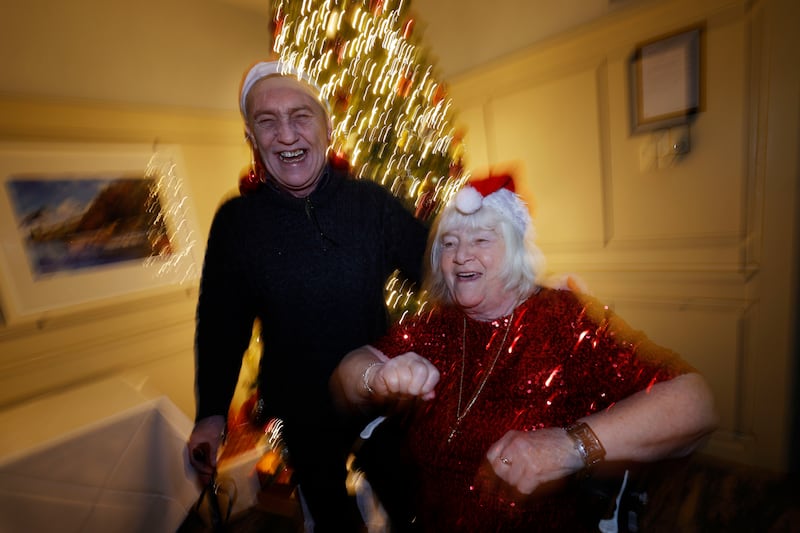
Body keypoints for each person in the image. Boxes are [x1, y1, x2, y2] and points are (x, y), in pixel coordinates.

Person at [330, 173, 719, 532]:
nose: (461, 255)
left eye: (481, 240)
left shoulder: (564, 319)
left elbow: (696, 403)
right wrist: (376, 376)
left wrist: (572, 445)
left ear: (516, 248)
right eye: (449, 243)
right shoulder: (438, 326)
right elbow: (344, 379)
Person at [186, 59, 429, 532]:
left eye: (301, 116)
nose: (287, 134)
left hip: (378, 394)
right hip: (301, 409)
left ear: (327, 126)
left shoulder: (369, 202)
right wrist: (211, 413)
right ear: (252, 140)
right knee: (332, 519)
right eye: (267, 122)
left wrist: (494, 261)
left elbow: (436, 270)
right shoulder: (237, 223)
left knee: (413, 508)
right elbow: (219, 323)